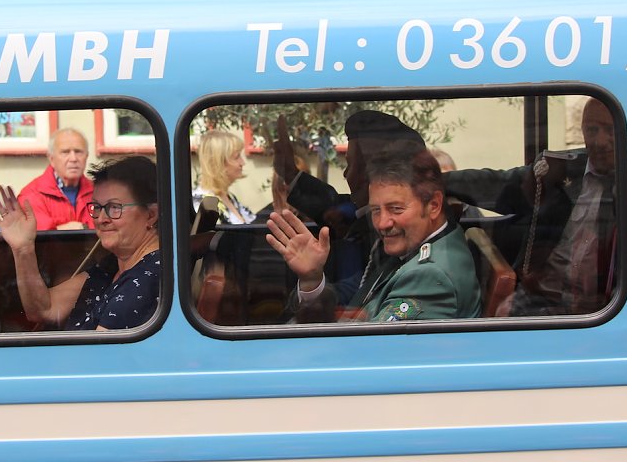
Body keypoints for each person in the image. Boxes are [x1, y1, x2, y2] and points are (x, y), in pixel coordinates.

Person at [445, 97, 617, 315]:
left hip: (606, 307)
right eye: (592, 129)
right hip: (543, 293)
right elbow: (495, 184)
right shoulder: (559, 169)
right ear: (582, 130)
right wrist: (435, 181)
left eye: (610, 130)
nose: (600, 141)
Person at [267, 149, 482, 322]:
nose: (382, 223)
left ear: (434, 205)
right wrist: (312, 279)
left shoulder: (429, 275)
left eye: (396, 209)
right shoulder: (413, 246)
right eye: (376, 210)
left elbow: (368, 354)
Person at [273, 111, 427, 305]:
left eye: (350, 164)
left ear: (373, 173)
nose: (346, 174)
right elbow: (336, 208)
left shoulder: (404, 245)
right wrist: (290, 173)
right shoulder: (360, 219)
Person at [0, 156, 160, 330]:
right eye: (96, 207)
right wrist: (23, 249)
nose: (101, 219)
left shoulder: (147, 277)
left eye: (114, 208)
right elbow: (45, 308)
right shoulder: (116, 264)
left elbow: (98, 355)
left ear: (150, 215)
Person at [18, 128, 94, 231]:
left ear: (86, 156)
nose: (73, 158)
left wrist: (59, 228)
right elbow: (37, 238)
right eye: (65, 152)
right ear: (51, 159)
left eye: (78, 152)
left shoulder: (99, 192)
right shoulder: (31, 195)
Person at [193, 130, 255, 224]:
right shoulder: (204, 206)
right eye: (237, 157)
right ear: (218, 163)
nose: (243, 163)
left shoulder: (228, 196)